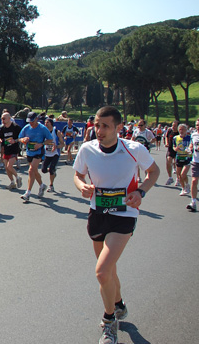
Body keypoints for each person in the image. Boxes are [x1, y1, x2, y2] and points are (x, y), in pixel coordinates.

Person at [73, 106, 159, 344]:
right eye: (96, 125)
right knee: (108, 270)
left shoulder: (134, 149)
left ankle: (109, 322)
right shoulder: (87, 149)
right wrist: (82, 187)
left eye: (105, 126)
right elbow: (78, 175)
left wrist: (141, 191)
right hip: (97, 212)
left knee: (101, 271)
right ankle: (119, 304)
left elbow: (153, 171)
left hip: (124, 213)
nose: (98, 131)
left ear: (119, 128)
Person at [18, 112, 54, 202]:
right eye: (29, 122)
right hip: (29, 152)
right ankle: (42, 185)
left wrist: (41, 144)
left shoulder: (42, 128)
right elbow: (20, 138)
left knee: (31, 169)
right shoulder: (26, 128)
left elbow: (50, 139)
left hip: (39, 152)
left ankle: (28, 193)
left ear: (37, 119)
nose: (31, 123)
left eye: (32, 121)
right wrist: (23, 140)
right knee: (34, 170)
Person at [0, 112, 22, 189]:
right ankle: (12, 182)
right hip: (6, 149)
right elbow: (0, 137)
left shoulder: (16, 127)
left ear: (9, 118)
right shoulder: (3, 128)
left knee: (9, 166)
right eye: (1, 119)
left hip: (14, 149)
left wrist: (15, 140)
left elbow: (22, 138)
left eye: (4, 118)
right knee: (6, 168)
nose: (2, 120)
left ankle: (18, 177)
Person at [41, 118, 65, 193]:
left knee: (51, 169)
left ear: (51, 124)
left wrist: (56, 147)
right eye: (45, 122)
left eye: (47, 122)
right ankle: (53, 171)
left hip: (55, 154)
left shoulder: (56, 132)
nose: (46, 124)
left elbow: (62, 144)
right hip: (47, 154)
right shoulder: (44, 132)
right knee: (43, 170)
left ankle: (51, 185)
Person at [174, 124, 191, 196]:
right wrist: (175, 149)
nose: (181, 131)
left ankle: (187, 184)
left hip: (187, 158)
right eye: (180, 129)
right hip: (179, 157)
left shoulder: (190, 138)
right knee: (179, 175)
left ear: (186, 130)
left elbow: (192, 146)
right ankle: (183, 188)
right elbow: (174, 147)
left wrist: (190, 150)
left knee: (183, 174)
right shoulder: (176, 138)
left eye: (183, 129)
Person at [187, 120, 199, 212]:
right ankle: (193, 202)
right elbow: (192, 144)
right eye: (197, 125)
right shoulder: (194, 135)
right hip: (195, 161)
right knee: (194, 181)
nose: (198, 126)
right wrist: (191, 147)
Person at [164, 121, 179, 185]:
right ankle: (170, 177)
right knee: (168, 161)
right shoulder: (170, 130)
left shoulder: (179, 132)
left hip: (178, 150)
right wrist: (167, 143)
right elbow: (167, 137)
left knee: (177, 163)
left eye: (175, 126)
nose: (173, 127)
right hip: (170, 149)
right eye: (172, 125)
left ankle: (178, 178)